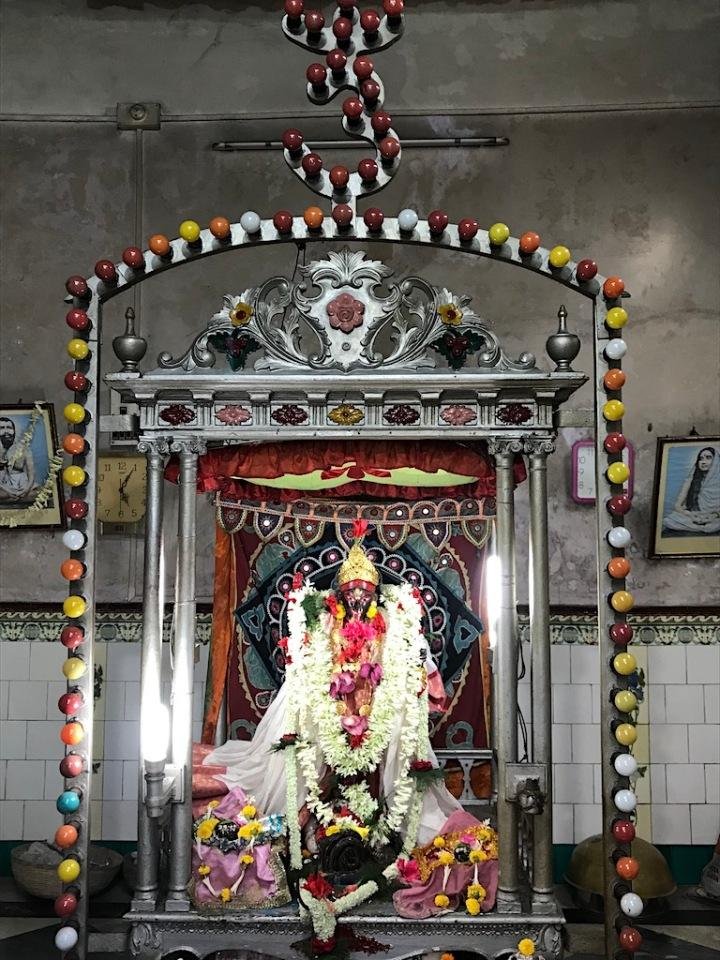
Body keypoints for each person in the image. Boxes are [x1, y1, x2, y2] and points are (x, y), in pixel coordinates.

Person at [201, 522, 461, 849]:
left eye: (364, 592)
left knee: (397, 737)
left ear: (373, 594)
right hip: (331, 705)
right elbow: (310, 661)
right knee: (309, 746)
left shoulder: (389, 621)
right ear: (340, 593)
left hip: (375, 705)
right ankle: (306, 824)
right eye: (351, 591)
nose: (357, 597)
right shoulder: (326, 619)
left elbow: (411, 656)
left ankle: (384, 830)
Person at [663, 446, 720, 535]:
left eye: (708, 458)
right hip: (692, 518)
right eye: (701, 459)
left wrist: (713, 516)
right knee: (669, 520)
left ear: (716, 461)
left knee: (714, 526)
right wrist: (691, 515)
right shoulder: (691, 479)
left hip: (713, 520)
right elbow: (677, 506)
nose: (703, 462)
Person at [0, 416, 37, 504]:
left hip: (22, 485)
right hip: (2, 487)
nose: (6, 431)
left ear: (14, 430)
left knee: (39, 492)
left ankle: (12, 499)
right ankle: (14, 498)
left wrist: (26, 489)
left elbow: (31, 473)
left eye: (9, 428)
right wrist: (7, 490)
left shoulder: (24, 449)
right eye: (2, 428)